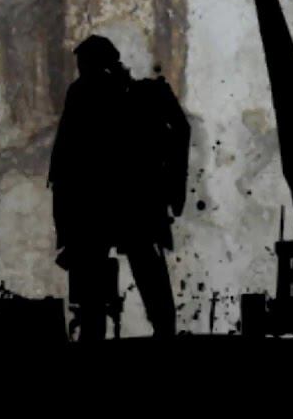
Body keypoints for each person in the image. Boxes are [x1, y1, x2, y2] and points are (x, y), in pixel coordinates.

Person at [49, 36, 189, 341]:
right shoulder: (97, 94)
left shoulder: (128, 95)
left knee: (138, 262)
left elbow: (67, 157)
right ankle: (153, 328)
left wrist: (173, 186)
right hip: (110, 202)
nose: (84, 72)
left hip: (121, 201)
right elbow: (67, 156)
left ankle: (158, 328)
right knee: (124, 266)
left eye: (86, 65)